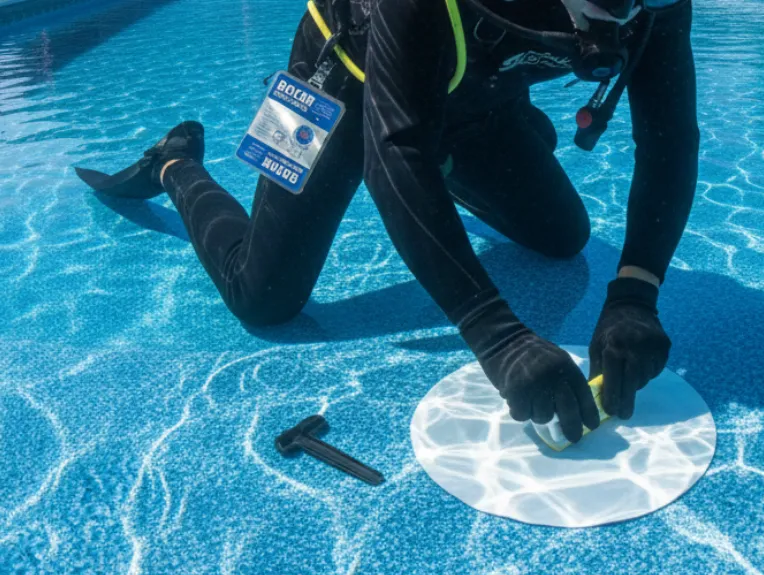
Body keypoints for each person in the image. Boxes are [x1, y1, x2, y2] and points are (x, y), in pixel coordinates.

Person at [75, 0, 698, 443]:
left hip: (473, 99)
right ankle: (175, 163)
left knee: (564, 237)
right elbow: (391, 153)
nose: (625, 15)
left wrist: (636, 292)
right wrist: (498, 336)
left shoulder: (656, 3)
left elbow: (670, 139)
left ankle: (458, 161)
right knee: (261, 295)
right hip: (332, 79)